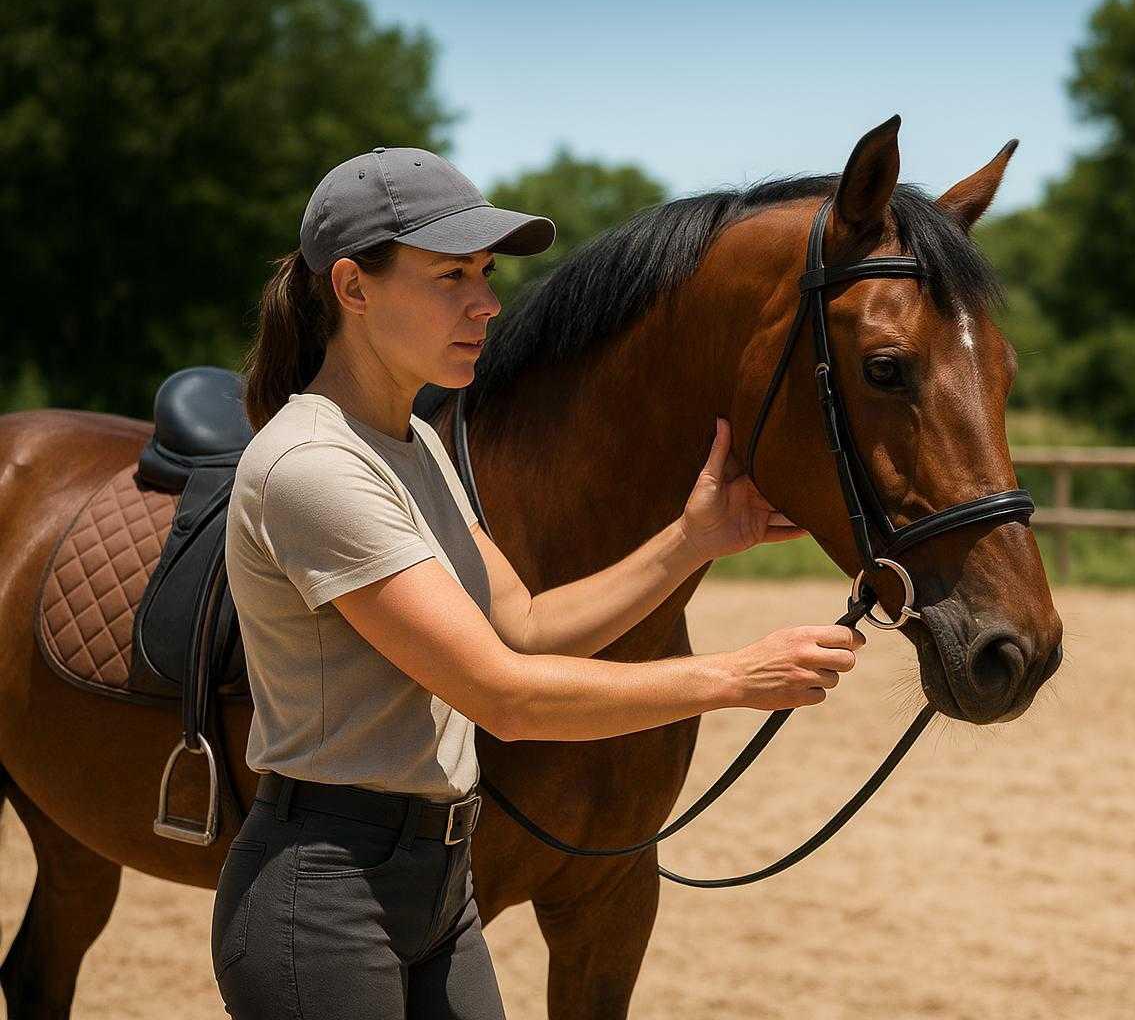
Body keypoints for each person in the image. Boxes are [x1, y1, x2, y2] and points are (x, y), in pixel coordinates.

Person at [209, 146, 864, 1019]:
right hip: (326, 897)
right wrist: (736, 678)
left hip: (437, 888)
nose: (487, 302)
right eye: (451, 276)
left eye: (485, 273)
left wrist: (692, 539)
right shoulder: (314, 465)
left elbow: (521, 625)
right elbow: (502, 695)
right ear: (353, 289)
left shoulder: (413, 444)